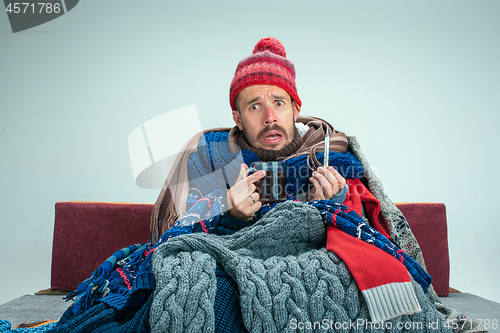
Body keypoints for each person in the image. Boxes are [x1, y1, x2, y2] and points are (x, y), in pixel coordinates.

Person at [52, 37, 475, 333]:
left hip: (310, 264)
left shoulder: (331, 154)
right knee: (195, 283)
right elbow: (170, 243)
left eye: (278, 102)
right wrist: (227, 213)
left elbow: (373, 239)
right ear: (238, 117)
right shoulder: (212, 156)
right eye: (254, 105)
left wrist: (338, 208)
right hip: (232, 264)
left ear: (296, 108)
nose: (269, 116)